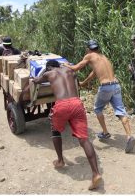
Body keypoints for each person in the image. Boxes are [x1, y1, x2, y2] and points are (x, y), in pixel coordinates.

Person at [32, 60, 102, 190]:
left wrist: (34, 79)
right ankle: (96, 173)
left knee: (55, 130)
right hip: (76, 103)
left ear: (49, 67)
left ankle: (60, 160)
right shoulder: (70, 71)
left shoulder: (49, 73)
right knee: (84, 139)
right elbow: (75, 76)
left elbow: (37, 81)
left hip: (62, 104)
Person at [63, 40, 135, 153]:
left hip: (105, 87)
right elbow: (94, 73)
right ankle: (129, 137)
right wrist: (84, 82)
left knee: (97, 109)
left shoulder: (89, 56)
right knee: (121, 112)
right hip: (116, 85)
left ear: (88, 48)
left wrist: (65, 65)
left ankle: (105, 132)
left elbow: (75, 68)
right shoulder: (103, 57)